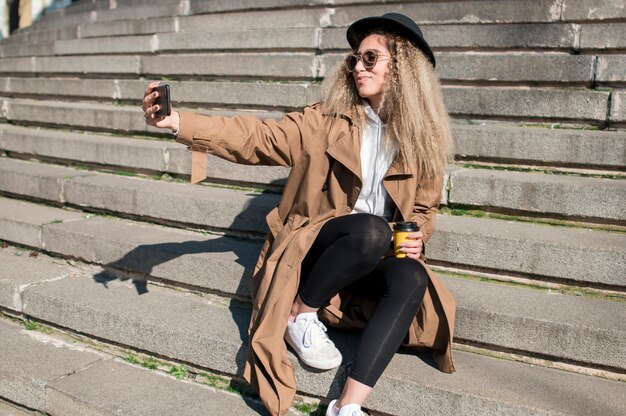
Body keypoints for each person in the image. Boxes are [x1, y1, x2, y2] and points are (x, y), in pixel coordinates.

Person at [143, 12, 456, 416]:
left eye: (370, 59)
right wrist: (179, 122)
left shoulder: (421, 138)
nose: (357, 66)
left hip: (372, 256)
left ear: (403, 69)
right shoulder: (325, 120)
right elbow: (258, 137)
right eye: (354, 59)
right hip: (317, 250)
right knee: (371, 231)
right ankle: (301, 314)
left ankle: (348, 407)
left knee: (411, 274)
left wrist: (419, 234)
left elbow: (423, 208)